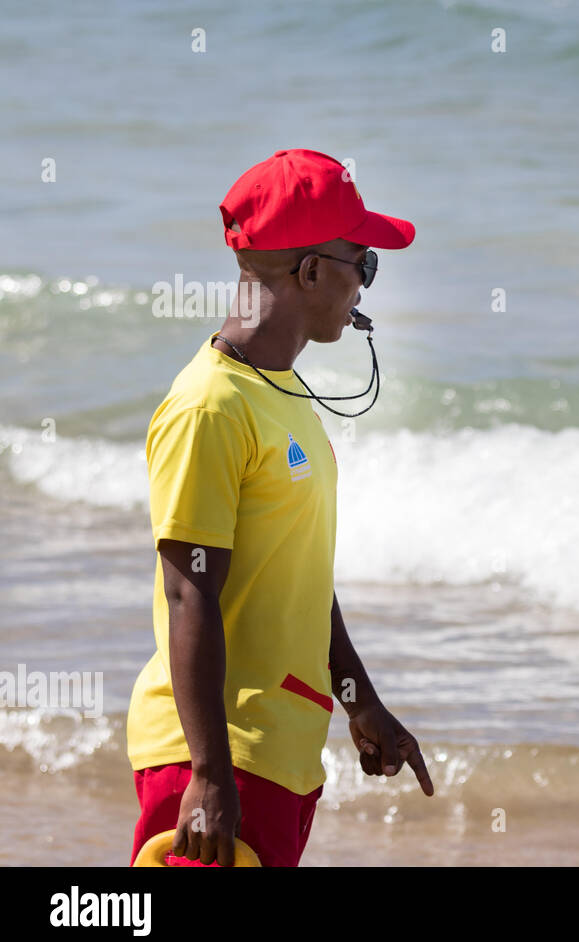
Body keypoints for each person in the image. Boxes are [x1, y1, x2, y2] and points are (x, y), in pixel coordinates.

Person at [127, 149, 434, 867]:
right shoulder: (210, 407)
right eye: (364, 262)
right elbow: (187, 590)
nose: (365, 283)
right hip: (216, 759)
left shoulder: (282, 396)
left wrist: (358, 700)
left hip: (280, 757)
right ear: (311, 271)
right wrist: (208, 773)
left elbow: (294, 575)